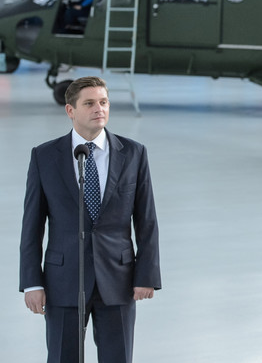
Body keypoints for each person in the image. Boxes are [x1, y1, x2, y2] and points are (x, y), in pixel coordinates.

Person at [20, 76, 161, 363]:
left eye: (104, 102)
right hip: (64, 279)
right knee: (63, 357)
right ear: (70, 110)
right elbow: (32, 226)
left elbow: (146, 220)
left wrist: (146, 275)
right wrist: (32, 282)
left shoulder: (133, 153)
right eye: (89, 103)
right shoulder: (44, 156)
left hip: (118, 280)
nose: (99, 108)